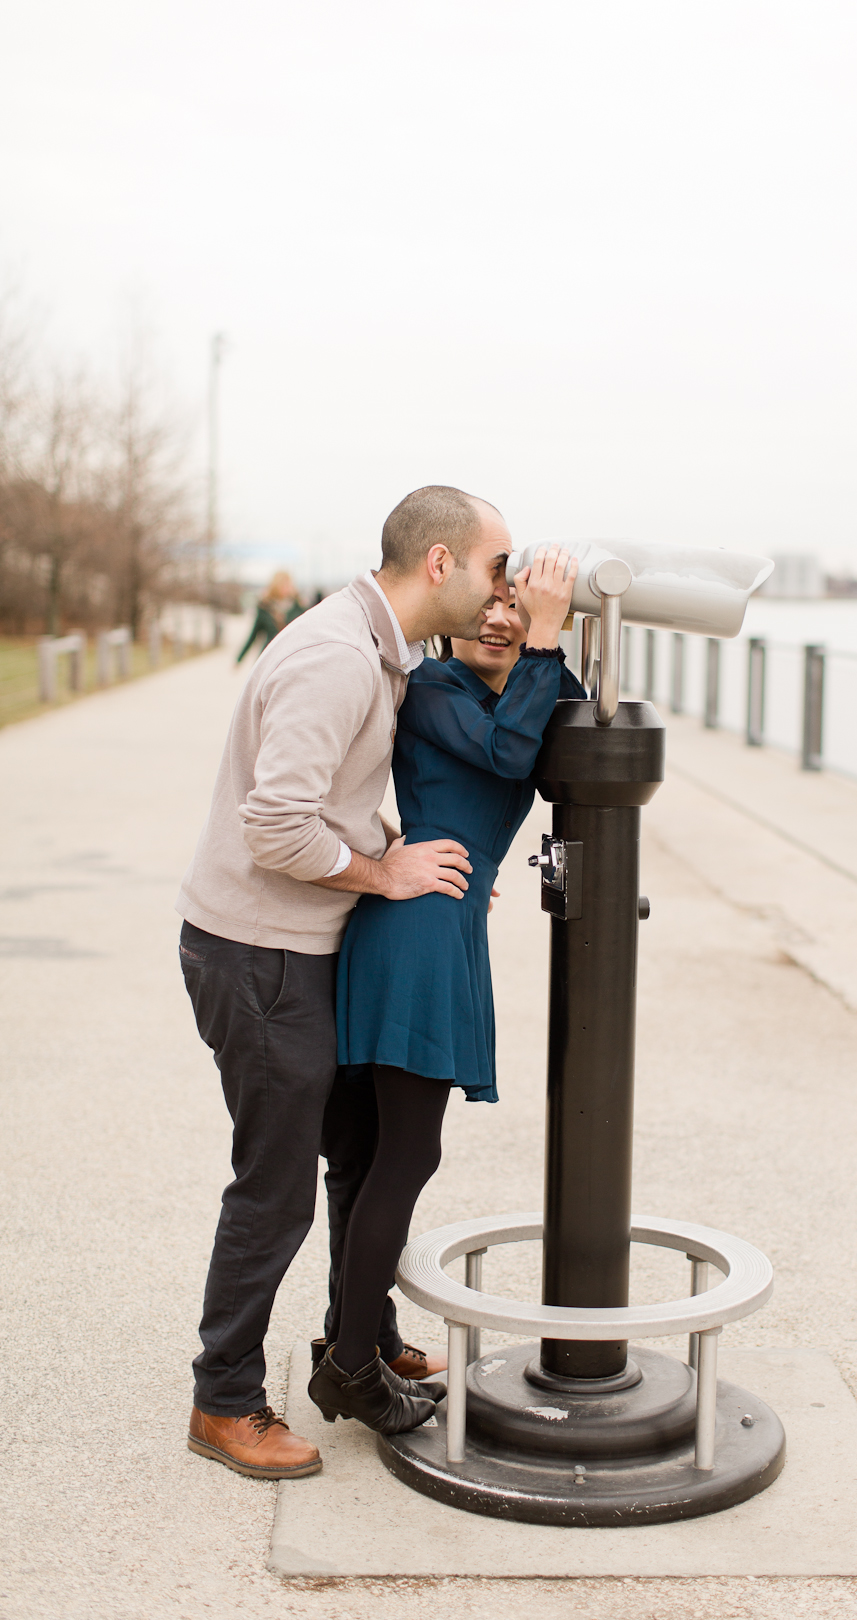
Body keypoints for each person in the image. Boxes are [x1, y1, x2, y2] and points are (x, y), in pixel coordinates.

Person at [177, 486, 512, 1480]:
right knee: (275, 1188)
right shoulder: (333, 657)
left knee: (358, 1154)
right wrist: (384, 872)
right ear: (442, 564)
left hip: (299, 945)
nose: (503, 587)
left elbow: (331, 802)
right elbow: (274, 824)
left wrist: (398, 848)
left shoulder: (379, 650)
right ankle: (223, 1398)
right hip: (258, 954)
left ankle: (352, 1339)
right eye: (496, 565)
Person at [307, 547, 584, 1433]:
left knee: (380, 1154)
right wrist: (542, 636)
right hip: (415, 935)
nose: (502, 619)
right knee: (406, 1155)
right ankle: (350, 1367)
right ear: (457, 609)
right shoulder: (432, 690)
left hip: (442, 922)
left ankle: (358, 1342)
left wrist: (560, 630)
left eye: (520, 607)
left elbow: (565, 737)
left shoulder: (511, 690)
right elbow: (509, 759)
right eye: (492, 604)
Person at [236, 570, 305, 663]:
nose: (285, 588)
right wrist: (239, 658)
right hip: (269, 657)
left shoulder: (299, 607)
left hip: (292, 657)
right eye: (282, 585)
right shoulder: (265, 607)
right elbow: (254, 635)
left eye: (287, 585)